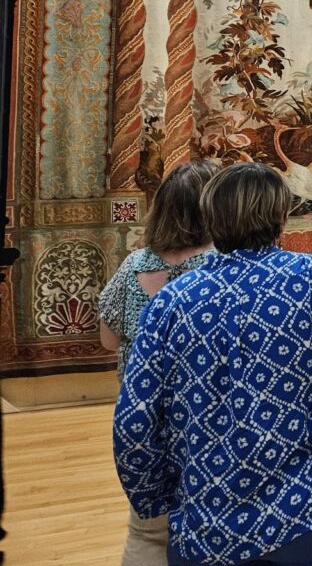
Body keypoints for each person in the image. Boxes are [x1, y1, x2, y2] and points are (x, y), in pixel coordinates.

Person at [113, 162, 312, 566]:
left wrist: (157, 499)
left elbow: (134, 422)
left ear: (211, 216)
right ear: (278, 217)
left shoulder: (173, 301)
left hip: (208, 523)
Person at [99, 159, 220, 566]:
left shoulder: (136, 266)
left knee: (147, 530)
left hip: (142, 421)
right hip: (206, 420)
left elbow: (107, 339)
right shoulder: (220, 267)